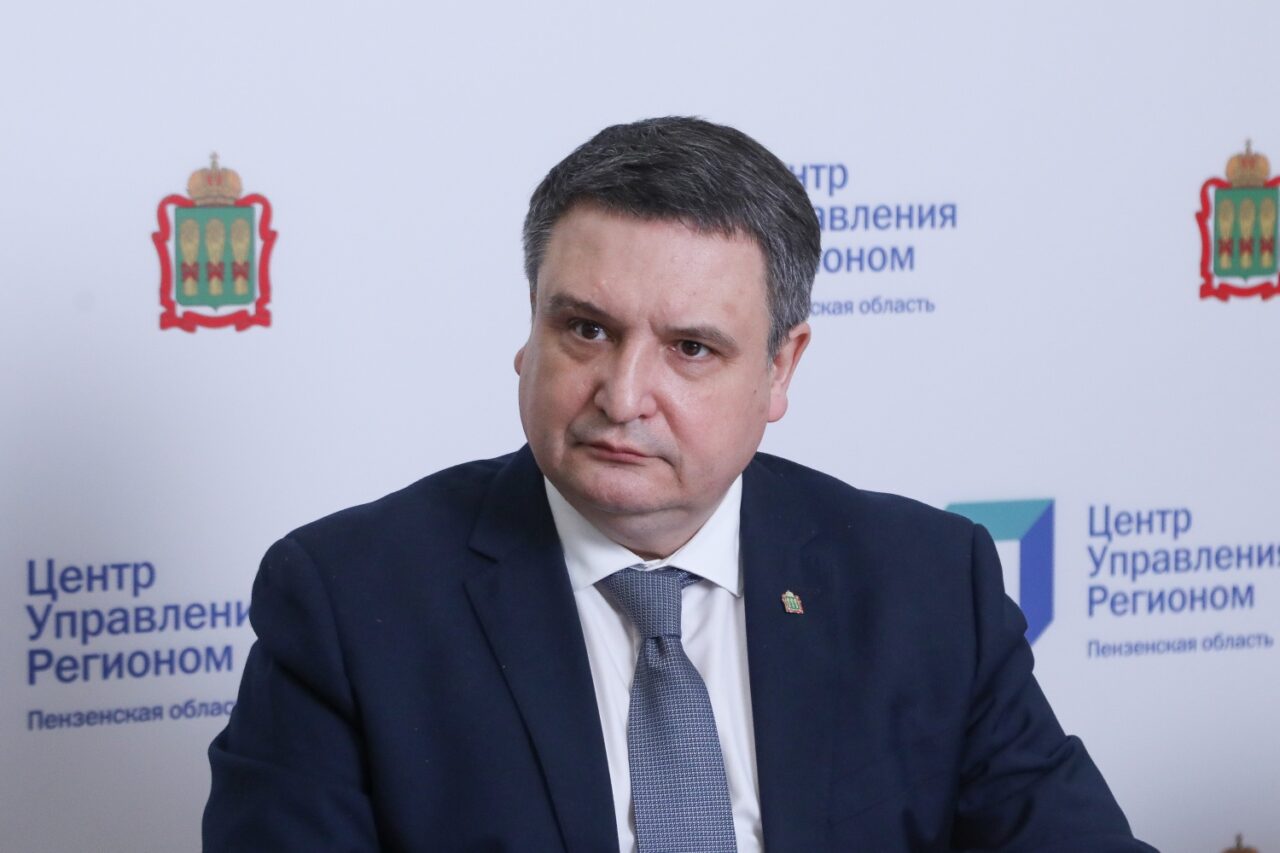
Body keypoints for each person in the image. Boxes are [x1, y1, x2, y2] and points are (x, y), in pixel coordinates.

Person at [204, 117, 1154, 852]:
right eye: (585, 329)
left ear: (781, 368)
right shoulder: (348, 600)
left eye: (691, 348)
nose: (623, 397)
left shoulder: (927, 583)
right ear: (530, 331)